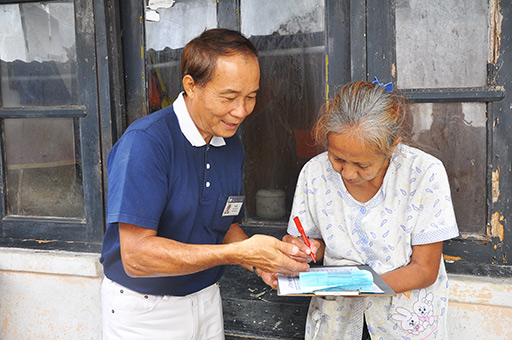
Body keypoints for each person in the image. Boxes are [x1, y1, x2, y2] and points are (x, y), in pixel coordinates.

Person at [100, 28, 309, 340]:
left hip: (207, 299)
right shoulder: (146, 144)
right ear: (191, 86)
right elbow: (137, 257)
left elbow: (222, 224)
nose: (241, 111)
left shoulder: (230, 141)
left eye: (251, 96)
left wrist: (261, 263)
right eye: (229, 97)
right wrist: (239, 254)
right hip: (145, 311)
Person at [283, 80, 459, 340]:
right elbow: (315, 243)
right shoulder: (314, 172)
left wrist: (358, 285)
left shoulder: (423, 173)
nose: (348, 173)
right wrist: (303, 249)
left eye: (362, 165)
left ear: (392, 146)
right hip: (336, 323)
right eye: (338, 159)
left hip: (403, 323)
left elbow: (425, 270)